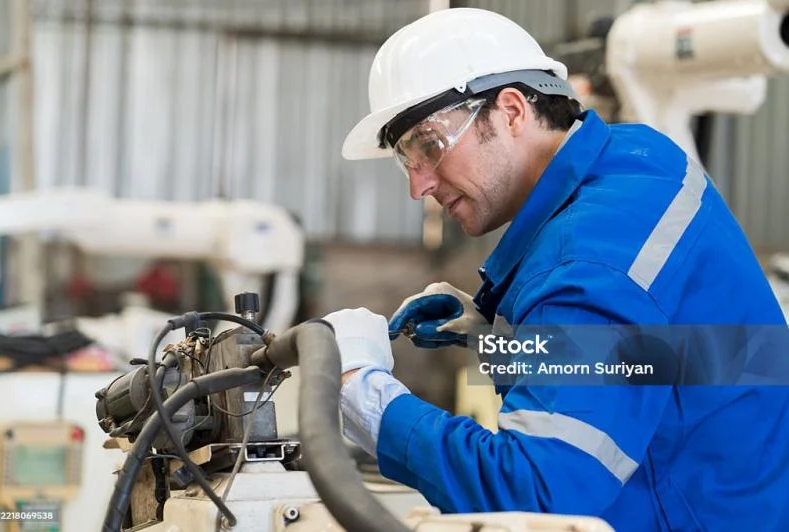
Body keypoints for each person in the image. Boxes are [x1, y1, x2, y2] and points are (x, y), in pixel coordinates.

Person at [322, 8, 789, 531]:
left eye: (430, 145)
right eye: (407, 160)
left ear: (512, 111)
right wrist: (506, 340)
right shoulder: (641, 157)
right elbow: (671, 361)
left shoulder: (586, 263)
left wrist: (361, 392)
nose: (419, 186)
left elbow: (537, 494)